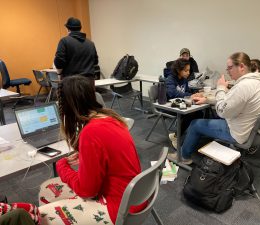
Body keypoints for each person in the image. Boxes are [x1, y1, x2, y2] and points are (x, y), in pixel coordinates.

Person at [38, 76, 145, 224]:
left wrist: (61, 166)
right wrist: (87, 155)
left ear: (67, 106)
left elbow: (87, 191)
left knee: (41, 212)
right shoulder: (112, 118)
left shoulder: (91, 132)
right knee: (46, 189)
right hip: (136, 197)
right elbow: (108, 155)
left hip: (119, 208)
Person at [169, 52, 260, 164]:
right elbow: (231, 101)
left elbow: (221, 111)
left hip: (240, 134)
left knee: (195, 124)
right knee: (210, 119)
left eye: (230, 68)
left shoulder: (244, 86)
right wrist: (207, 100)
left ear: (242, 66)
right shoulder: (258, 82)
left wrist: (221, 88)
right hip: (257, 132)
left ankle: (183, 157)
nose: (228, 71)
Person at [166, 58, 202, 149]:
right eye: (185, 70)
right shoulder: (170, 79)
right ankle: (176, 137)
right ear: (178, 70)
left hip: (180, 104)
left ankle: (190, 135)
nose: (188, 73)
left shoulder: (184, 79)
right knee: (190, 114)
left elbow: (187, 93)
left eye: (189, 70)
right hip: (169, 105)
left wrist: (194, 95)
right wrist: (190, 96)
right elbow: (172, 94)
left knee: (199, 112)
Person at [54, 17, 99, 81]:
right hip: (89, 82)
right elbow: (95, 62)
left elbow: (59, 61)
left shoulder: (64, 41)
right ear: (80, 28)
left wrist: (59, 74)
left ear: (68, 29)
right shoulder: (91, 43)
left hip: (72, 82)